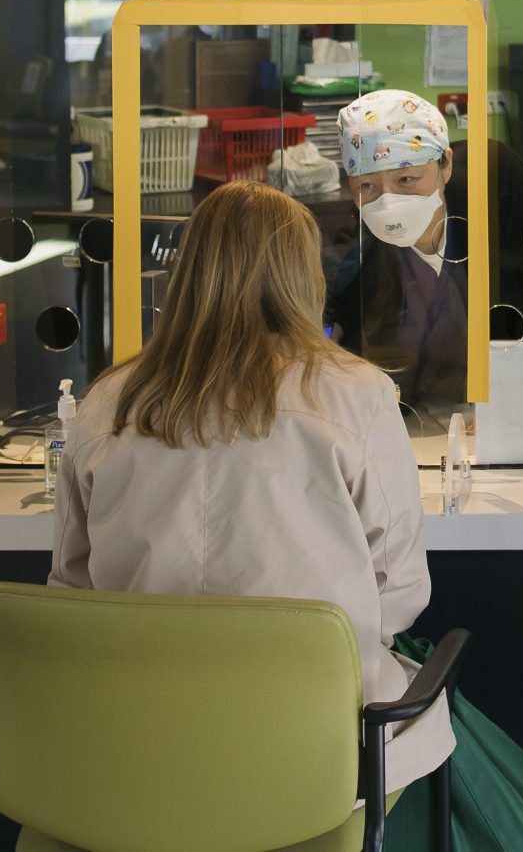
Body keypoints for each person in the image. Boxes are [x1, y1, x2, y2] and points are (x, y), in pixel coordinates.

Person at [50, 179, 452, 792]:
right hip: (315, 759)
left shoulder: (106, 401)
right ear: (304, 275)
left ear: (188, 270)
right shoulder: (358, 393)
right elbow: (399, 591)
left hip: (140, 759)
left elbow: (71, 588)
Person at [329, 90, 523, 411]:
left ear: (445, 164)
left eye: (407, 179)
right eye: (367, 186)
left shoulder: (497, 188)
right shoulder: (355, 251)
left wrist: (520, 400)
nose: (388, 201)